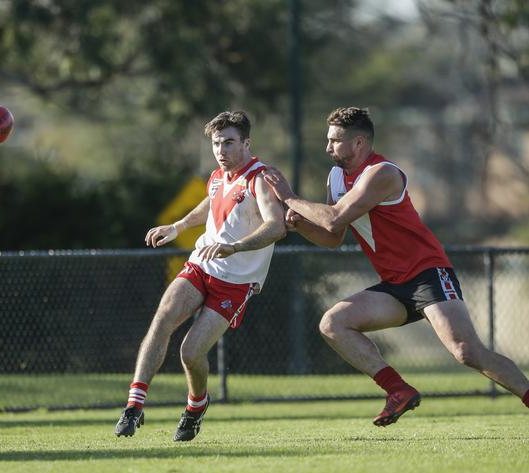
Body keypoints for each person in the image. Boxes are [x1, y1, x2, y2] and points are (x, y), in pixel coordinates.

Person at [264, 106, 529, 426]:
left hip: (427, 273)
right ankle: (397, 390)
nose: (328, 147)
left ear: (359, 143)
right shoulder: (336, 176)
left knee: (466, 352)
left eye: (335, 140)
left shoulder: (382, 173)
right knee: (333, 323)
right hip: (394, 284)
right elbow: (334, 236)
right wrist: (301, 226)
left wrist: (290, 197)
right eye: (329, 140)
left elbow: (333, 216)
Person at [114, 110, 286, 441]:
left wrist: (234, 247)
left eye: (229, 142)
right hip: (201, 265)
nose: (221, 150)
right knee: (163, 318)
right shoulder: (218, 177)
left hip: (235, 283)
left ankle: (196, 406)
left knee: (191, 353)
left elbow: (276, 226)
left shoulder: (259, 178)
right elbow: (209, 204)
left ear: (247, 143)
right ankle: (134, 406)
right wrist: (177, 226)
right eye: (216, 143)